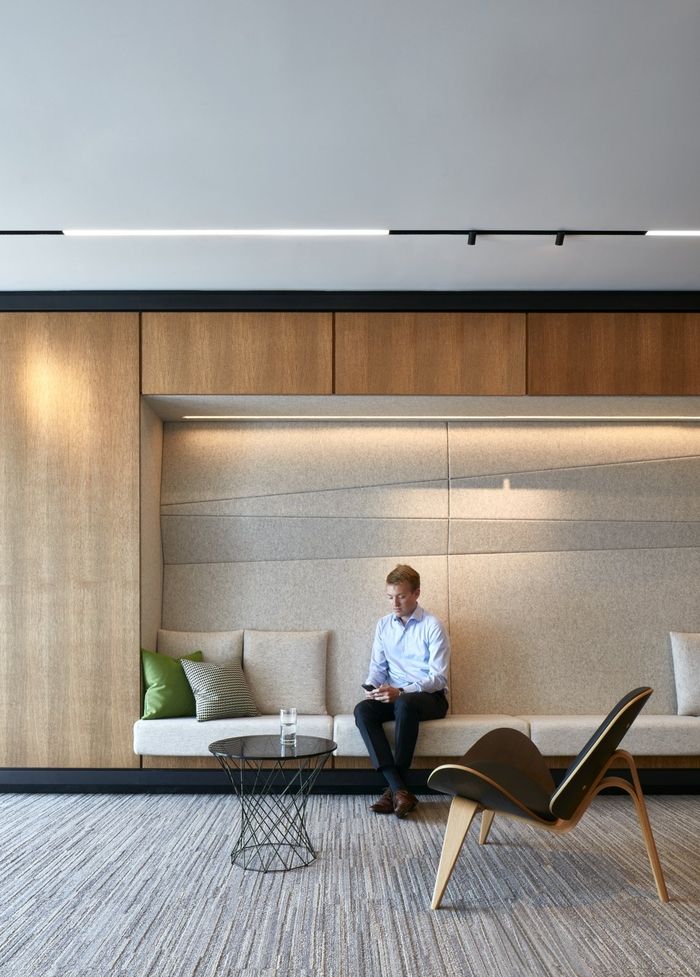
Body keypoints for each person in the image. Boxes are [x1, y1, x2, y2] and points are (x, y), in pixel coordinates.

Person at [354, 564, 450, 818]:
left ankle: (394, 790)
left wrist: (401, 691)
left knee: (404, 704)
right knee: (363, 710)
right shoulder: (384, 625)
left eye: (401, 596)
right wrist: (372, 687)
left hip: (430, 698)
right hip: (395, 695)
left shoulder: (432, 625)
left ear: (417, 593)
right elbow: (377, 667)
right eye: (390, 597)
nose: (395, 603)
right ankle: (399, 790)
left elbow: (438, 678)